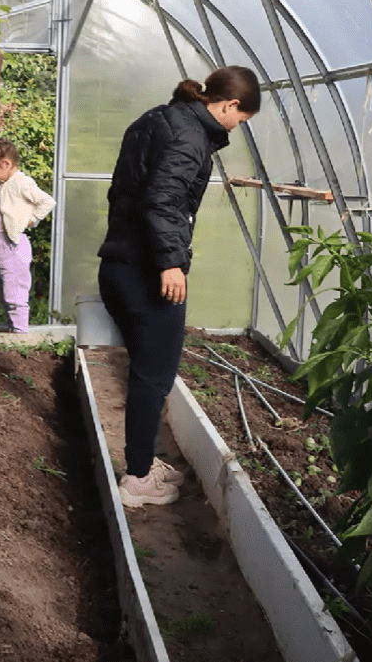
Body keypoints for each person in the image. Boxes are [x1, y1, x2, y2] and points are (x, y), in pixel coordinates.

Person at [97, 66, 260, 508]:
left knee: (144, 372)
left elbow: (131, 193)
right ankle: (137, 479)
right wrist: (170, 263)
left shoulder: (157, 119)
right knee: (154, 377)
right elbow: (163, 200)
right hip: (148, 272)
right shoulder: (191, 137)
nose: (236, 127)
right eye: (240, 119)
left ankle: (142, 463)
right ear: (228, 106)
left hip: (118, 262)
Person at [0, 138, 56, 333]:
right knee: (3, 290)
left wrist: (30, 220)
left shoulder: (21, 182)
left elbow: (47, 202)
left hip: (12, 244)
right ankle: (12, 328)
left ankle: (20, 332)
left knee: (15, 290)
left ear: (5, 164)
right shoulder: (3, 182)